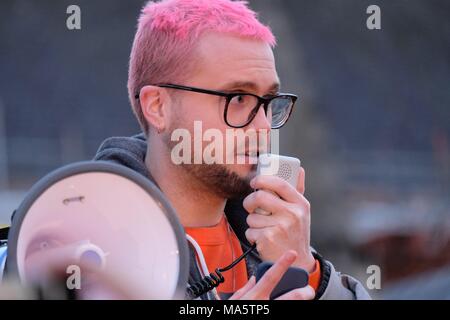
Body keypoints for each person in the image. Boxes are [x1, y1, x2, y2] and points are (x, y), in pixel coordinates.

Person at [94, 0, 370, 300]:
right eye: (238, 98)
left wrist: (308, 273)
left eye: (267, 101)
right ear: (158, 107)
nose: (264, 126)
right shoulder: (85, 249)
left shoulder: (272, 241)